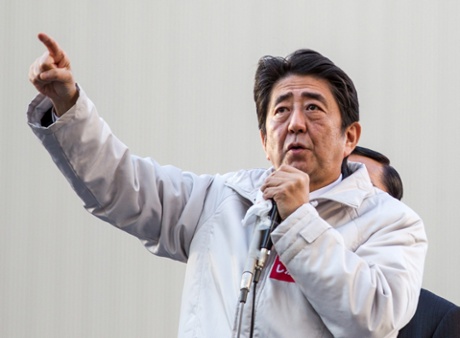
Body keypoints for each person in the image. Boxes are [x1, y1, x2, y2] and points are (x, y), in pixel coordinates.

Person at [27, 33, 427, 338]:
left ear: (350, 136)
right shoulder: (221, 200)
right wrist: (69, 104)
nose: (296, 123)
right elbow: (120, 185)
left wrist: (300, 218)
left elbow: (373, 319)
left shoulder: (391, 222)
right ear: (263, 139)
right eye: (282, 110)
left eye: (314, 108)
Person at [349, 146, 460, 338]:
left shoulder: (437, 320)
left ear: (393, 211)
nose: (342, 200)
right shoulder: (284, 294)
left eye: (362, 190)